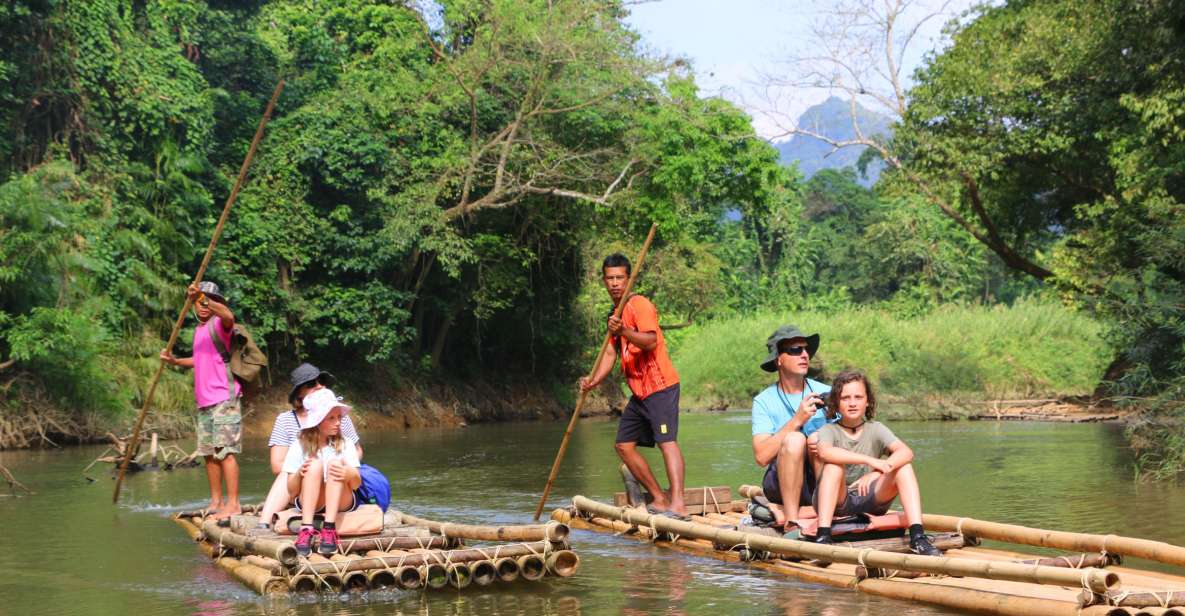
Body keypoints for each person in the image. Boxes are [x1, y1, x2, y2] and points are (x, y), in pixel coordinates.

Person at [580, 253, 687, 518]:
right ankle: (660, 498)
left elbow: (650, 341)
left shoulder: (639, 304)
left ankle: (679, 504)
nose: (615, 283)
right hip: (639, 393)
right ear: (604, 281)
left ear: (629, 279)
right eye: (610, 278)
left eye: (620, 278)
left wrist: (623, 331)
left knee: (667, 442)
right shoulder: (614, 314)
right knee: (624, 445)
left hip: (660, 386)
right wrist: (594, 380)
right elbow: (609, 353)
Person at [813, 370, 942, 556]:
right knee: (833, 467)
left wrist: (878, 471)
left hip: (869, 498)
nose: (852, 403)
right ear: (836, 402)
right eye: (845, 398)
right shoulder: (829, 430)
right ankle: (823, 536)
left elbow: (906, 452)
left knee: (903, 467)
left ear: (867, 401)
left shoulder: (876, 428)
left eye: (858, 397)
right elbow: (825, 452)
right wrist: (870, 461)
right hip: (838, 501)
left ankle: (918, 537)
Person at [160, 281, 242, 520]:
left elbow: (229, 315)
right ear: (193, 305)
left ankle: (234, 504)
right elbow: (199, 360)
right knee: (209, 453)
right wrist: (174, 362)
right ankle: (216, 501)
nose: (204, 306)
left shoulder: (221, 324)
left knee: (225, 450)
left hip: (224, 397)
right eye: (199, 302)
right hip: (204, 400)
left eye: (209, 301)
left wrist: (203, 297)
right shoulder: (200, 330)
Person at [254, 363, 363, 530]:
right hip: (300, 482)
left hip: (338, 478)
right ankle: (265, 522)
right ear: (299, 394)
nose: (319, 386)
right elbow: (277, 465)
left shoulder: (339, 416)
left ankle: (327, 525)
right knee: (291, 471)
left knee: (335, 465)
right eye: (311, 384)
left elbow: (357, 451)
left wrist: (340, 465)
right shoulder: (286, 420)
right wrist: (308, 468)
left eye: (321, 381)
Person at [750, 325, 833, 531]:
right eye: (795, 350)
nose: (804, 355)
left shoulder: (827, 392)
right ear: (778, 359)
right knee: (795, 439)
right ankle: (792, 520)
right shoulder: (763, 401)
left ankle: (812, 508)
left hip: (821, 479)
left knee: (819, 437)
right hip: (782, 481)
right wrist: (797, 420)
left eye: (806, 350)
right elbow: (761, 457)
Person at [284, 388, 362, 556]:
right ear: (317, 421)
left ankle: (329, 529)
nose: (338, 423)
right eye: (331, 418)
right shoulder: (299, 445)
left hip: (342, 498)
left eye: (339, 417)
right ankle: (306, 529)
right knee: (314, 465)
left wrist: (348, 473)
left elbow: (356, 485)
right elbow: (291, 492)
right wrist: (299, 473)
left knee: (335, 464)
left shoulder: (346, 443)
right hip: (312, 499)